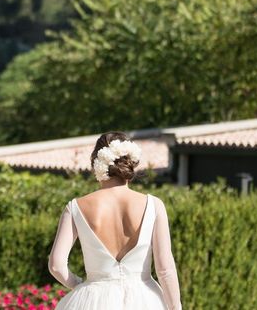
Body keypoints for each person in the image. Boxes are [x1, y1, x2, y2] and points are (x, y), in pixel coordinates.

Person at [48, 131, 182, 310]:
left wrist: (79, 285)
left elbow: (56, 265)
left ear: (96, 164)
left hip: (93, 301)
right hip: (145, 300)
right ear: (131, 162)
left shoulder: (75, 207)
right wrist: (176, 307)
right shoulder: (154, 205)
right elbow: (165, 270)